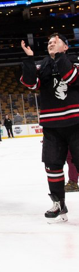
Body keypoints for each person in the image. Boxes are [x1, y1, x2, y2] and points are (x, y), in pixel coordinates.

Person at [20, 34, 79, 222]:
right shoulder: (42, 65)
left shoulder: (75, 61)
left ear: (66, 47)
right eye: (49, 42)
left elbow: (70, 77)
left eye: (55, 41)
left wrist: (59, 57)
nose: (51, 43)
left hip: (75, 122)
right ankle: (58, 203)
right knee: (52, 165)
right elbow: (30, 83)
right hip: (51, 124)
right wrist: (29, 59)